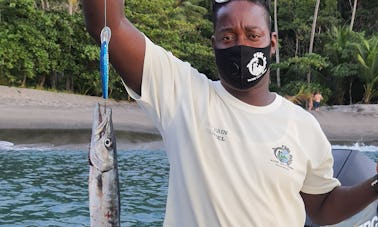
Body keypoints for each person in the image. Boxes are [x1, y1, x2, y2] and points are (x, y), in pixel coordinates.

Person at [82, 0, 378, 226]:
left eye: (252, 35)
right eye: (228, 37)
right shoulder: (183, 95)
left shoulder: (303, 125)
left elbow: (323, 207)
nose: (241, 46)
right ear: (213, 44)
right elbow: (109, 26)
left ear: (271, 43)